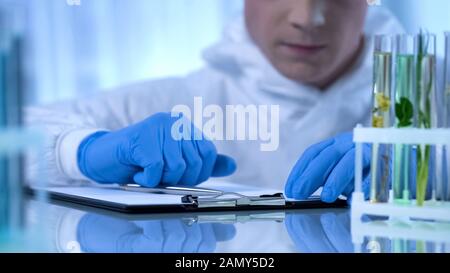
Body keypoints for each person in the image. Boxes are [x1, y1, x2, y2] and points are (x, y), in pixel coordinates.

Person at [26, 0, 403, 203]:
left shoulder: (429, 94)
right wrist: (84, 150)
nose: (306, 17)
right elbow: (15, 136)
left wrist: (431, 163)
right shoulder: (179, 100)